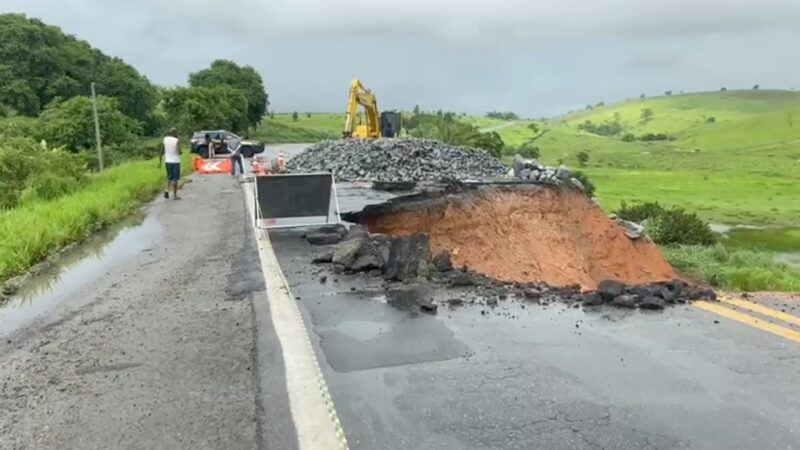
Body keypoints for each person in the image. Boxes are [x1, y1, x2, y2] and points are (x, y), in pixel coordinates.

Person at [161, 128, 181, 199]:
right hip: (175, 161)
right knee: (175, 179)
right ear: (175, 133)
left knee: (169, 177)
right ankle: (175, 195)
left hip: (167, 161)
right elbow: (179, 151)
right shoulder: (176, 140)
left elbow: (162, 150)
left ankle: (166, 190)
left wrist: (160, 160)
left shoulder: (165, 139)